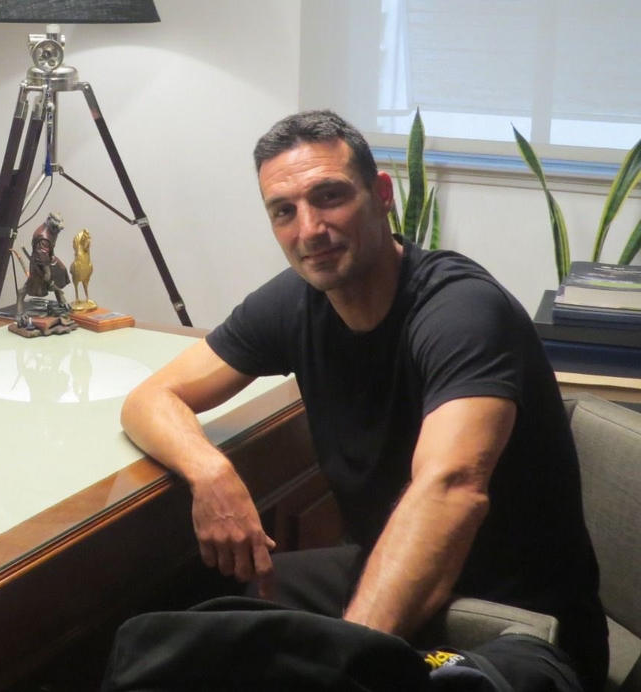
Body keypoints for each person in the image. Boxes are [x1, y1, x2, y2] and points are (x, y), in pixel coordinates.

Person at [116, 110, 607, 691]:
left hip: (520, 624)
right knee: (171, 630)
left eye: (329, 197)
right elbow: (151, 398)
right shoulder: (296, 302)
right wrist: (209, 470)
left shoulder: (461, 311)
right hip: (393, 579)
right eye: (284, 211)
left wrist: (341, 660)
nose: (309, 229)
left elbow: (450, 490)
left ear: (381, 196)